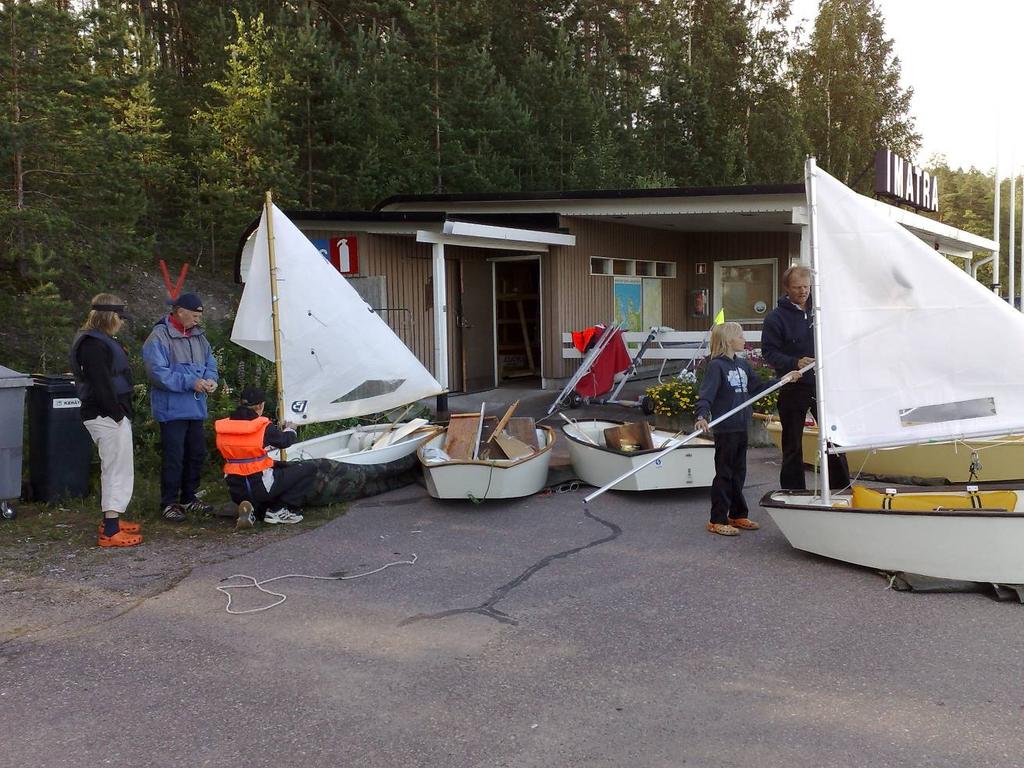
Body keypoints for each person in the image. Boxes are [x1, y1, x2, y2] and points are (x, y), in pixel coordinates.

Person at [694, 322, 799, 537]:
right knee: (724, 474)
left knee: (739, 473)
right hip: (725, 429)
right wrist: (702, 415)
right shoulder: (716, 366)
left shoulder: (743, 365)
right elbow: (706, 394)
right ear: (728, 340)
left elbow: (757, 388)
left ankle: (737, 514)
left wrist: (783, 380)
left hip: (741, 426)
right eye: (740, 336)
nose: (744, 340)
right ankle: (717, 519)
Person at [761, 265, 850, 490]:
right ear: (786, 288)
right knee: (792, 442)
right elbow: (769, 352)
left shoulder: (820, 311)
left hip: (822, 384)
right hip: (794, 384)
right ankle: (793, 490)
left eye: (806, 287)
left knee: (833, 437)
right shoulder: (775, 318)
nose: (803, 291)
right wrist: (794, 362)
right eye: (797, 287)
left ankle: (840, 488)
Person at [70, 294, 141, 547]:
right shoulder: (93, 346)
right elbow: (100, 384)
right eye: (120, 318)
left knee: (118, 467)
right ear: (110, 317)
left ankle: (112, 520)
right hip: (106, 414)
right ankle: (110, 530)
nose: (122, 323)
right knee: (115, 469)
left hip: (109, 413)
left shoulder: (100, 342)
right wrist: (117, 414)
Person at [142, 292, 219, 522]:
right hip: (171, 410)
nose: (198, 320)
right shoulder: (158, 336)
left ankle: (189, 497)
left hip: (195, 409)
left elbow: (210, 364)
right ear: (180, 311)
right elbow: (157, 374)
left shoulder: (200, 337)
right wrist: (191, 382)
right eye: (194, 315)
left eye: (199, 316)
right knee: (174, 457)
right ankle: (169, 503)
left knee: (196, 453)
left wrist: (212, 380)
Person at [214, 387, 316, 527]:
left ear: (240, 403)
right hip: (260, 486)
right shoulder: (262, 426)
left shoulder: (223, 426)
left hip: (236, 488)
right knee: (308, 469)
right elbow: (285, 441)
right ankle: (279, 510)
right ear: (261, 405)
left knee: (277, 468)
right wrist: (291, 429)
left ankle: (252, 511)